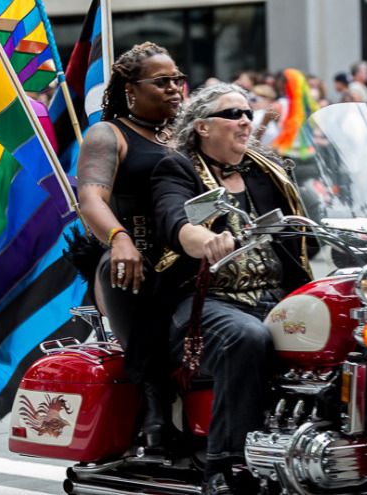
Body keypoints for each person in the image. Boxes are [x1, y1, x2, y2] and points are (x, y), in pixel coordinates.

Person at [151, 83, 311, 494]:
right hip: (204, 301)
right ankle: (226, 466)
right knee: (246, 337)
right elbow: (174, 218)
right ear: (203, 127)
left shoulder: (265, 170)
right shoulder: (179, 168)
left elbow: (306, 228)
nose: (244, 120)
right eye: (232, 114)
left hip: (274, 297)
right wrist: (202, 240)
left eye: (246, 113)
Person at [75, 41, 184, 450]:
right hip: (133, 257)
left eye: (178, 80)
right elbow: (90, 199)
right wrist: (119, 239)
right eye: (162, 82)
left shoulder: (186, 132)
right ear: (130, 89)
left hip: (190, 252)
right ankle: (156, 407)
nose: (174, 88)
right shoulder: (108, 134)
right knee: (130, 276)